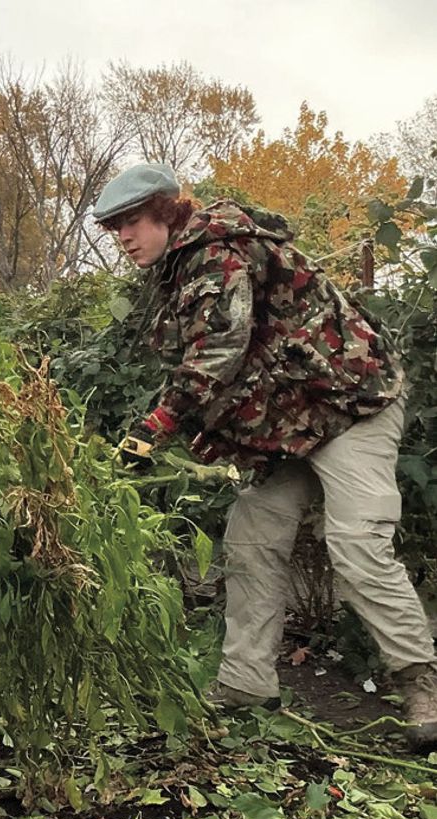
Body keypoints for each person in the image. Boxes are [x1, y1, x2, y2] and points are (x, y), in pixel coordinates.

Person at [93, 162, 437, 751]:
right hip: (289, 427)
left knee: (357, 546)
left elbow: (216, 352)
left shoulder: (217, 251)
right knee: (252, 539)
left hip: (351, 405)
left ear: (167, 213)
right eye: (113, 228)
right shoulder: (178, 271)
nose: (123, 237)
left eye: (131, 222)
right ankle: (246, 683)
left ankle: (423, 685)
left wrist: (153, 429)